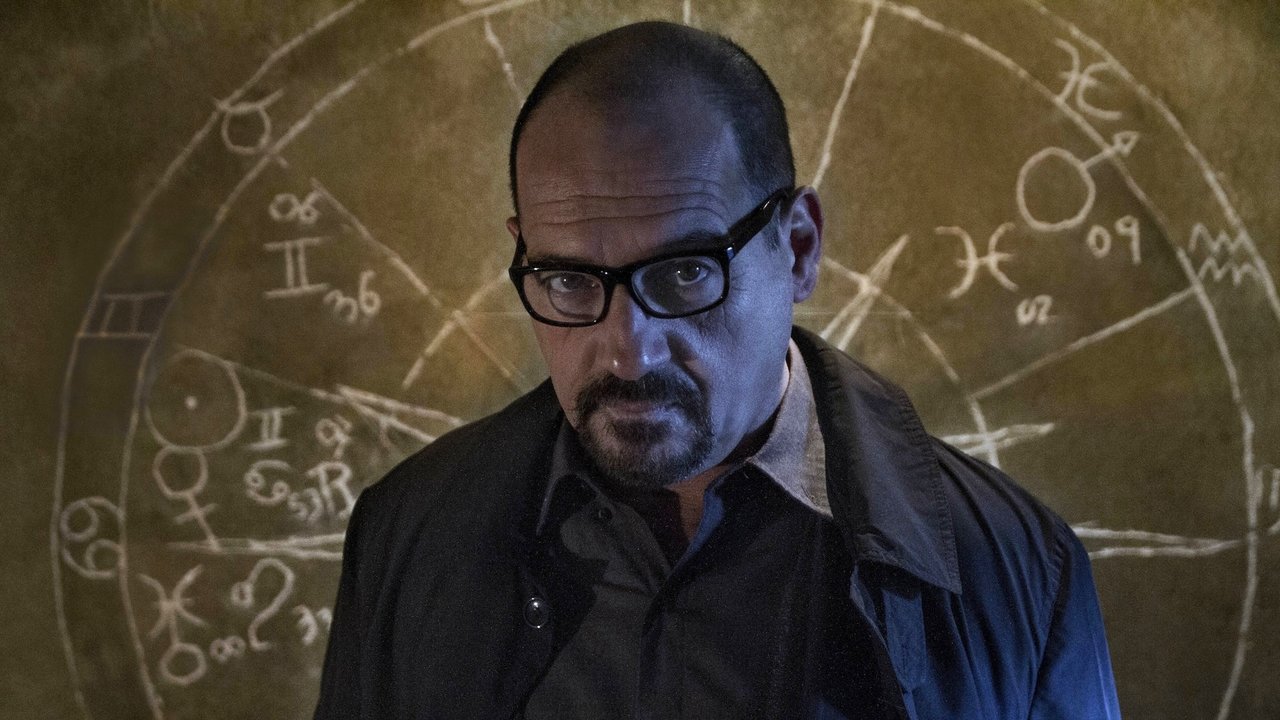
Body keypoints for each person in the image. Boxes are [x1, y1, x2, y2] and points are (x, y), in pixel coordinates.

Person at [314, 20, 1121, 720]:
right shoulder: (405, 535)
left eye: (685, 274)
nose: (629, 350)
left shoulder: (1019, 573)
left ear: (798, 248)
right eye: (569, 280)